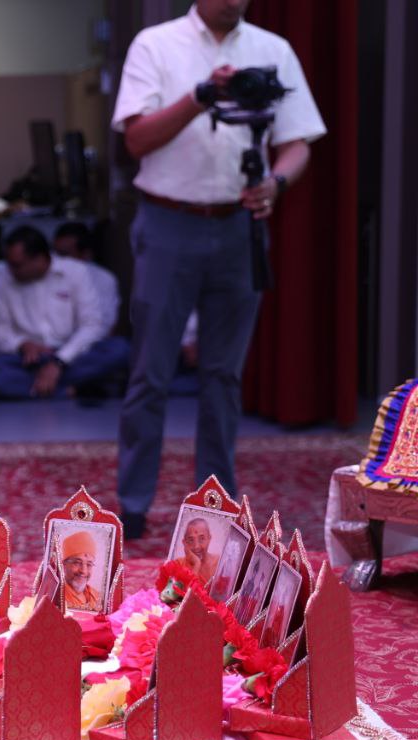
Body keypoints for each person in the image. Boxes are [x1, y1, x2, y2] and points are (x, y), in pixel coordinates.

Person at [112, 0, 325, 539]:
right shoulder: (155, 45)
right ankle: (133, 505)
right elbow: (136, 139)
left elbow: (297, 143)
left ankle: (216, 504)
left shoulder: (272, 49)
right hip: (167, 222)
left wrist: (276, 182)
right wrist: (201, 95)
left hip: (239, 226)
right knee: (150, 372)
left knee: (224, 375)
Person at [0, 226, 130, 400]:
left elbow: (92, 325)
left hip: (73, 355)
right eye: (8, 263)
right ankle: (70, 390)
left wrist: (59, 362)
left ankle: (37, 387)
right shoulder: (2, 280)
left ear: (39, 259)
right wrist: (22, 344)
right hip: (29, 360)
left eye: (17, 265)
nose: (10, 270)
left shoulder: (76, 272)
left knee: (120, 349)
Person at [51, 221, 121, 336]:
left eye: (63, 254)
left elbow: (105, 327)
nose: (55, 259)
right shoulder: (47, 273)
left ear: (85, 255)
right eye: (54, 252)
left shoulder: (103, 279)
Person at [61, 531, 102, 610]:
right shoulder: (57, 596)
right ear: (64, 564)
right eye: (77, 563)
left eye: (89, 564)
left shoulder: (97, 596)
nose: (84, 571)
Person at [172, 518, 220, 584]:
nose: (196, 546)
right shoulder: (178, 564)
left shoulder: (219, 563)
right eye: (191, 540)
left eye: (201, 539)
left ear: (209, 538)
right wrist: (196, 564)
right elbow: (185, 590)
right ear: (184, 542)